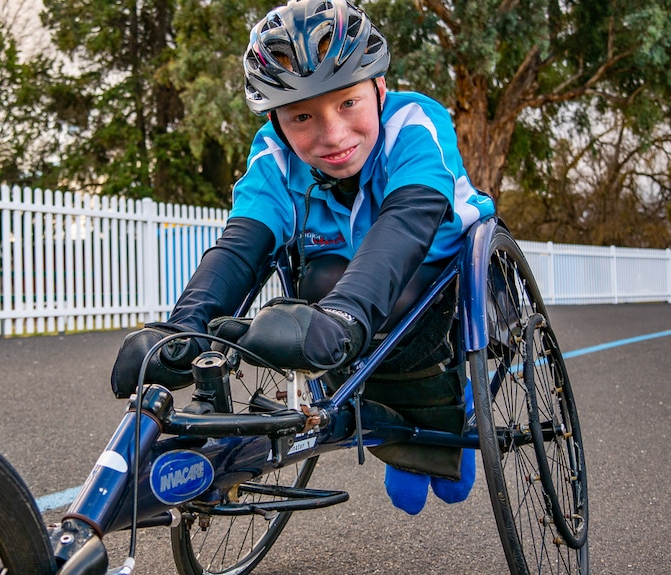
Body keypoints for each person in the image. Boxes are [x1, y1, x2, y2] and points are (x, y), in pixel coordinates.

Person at [111, 0, 495, 514]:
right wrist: (182, 330)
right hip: (342, 295)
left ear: (379, 89)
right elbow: (240, 246)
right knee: (319, 281)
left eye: (349, 104)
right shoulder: (273, 156)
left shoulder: (415, 121)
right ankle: (393, 417)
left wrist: (346, 314)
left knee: (383, 291)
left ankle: (453, 395)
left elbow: (407, 222)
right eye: (302, 116)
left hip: (435, 280)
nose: (333, 136)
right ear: (276, 119)